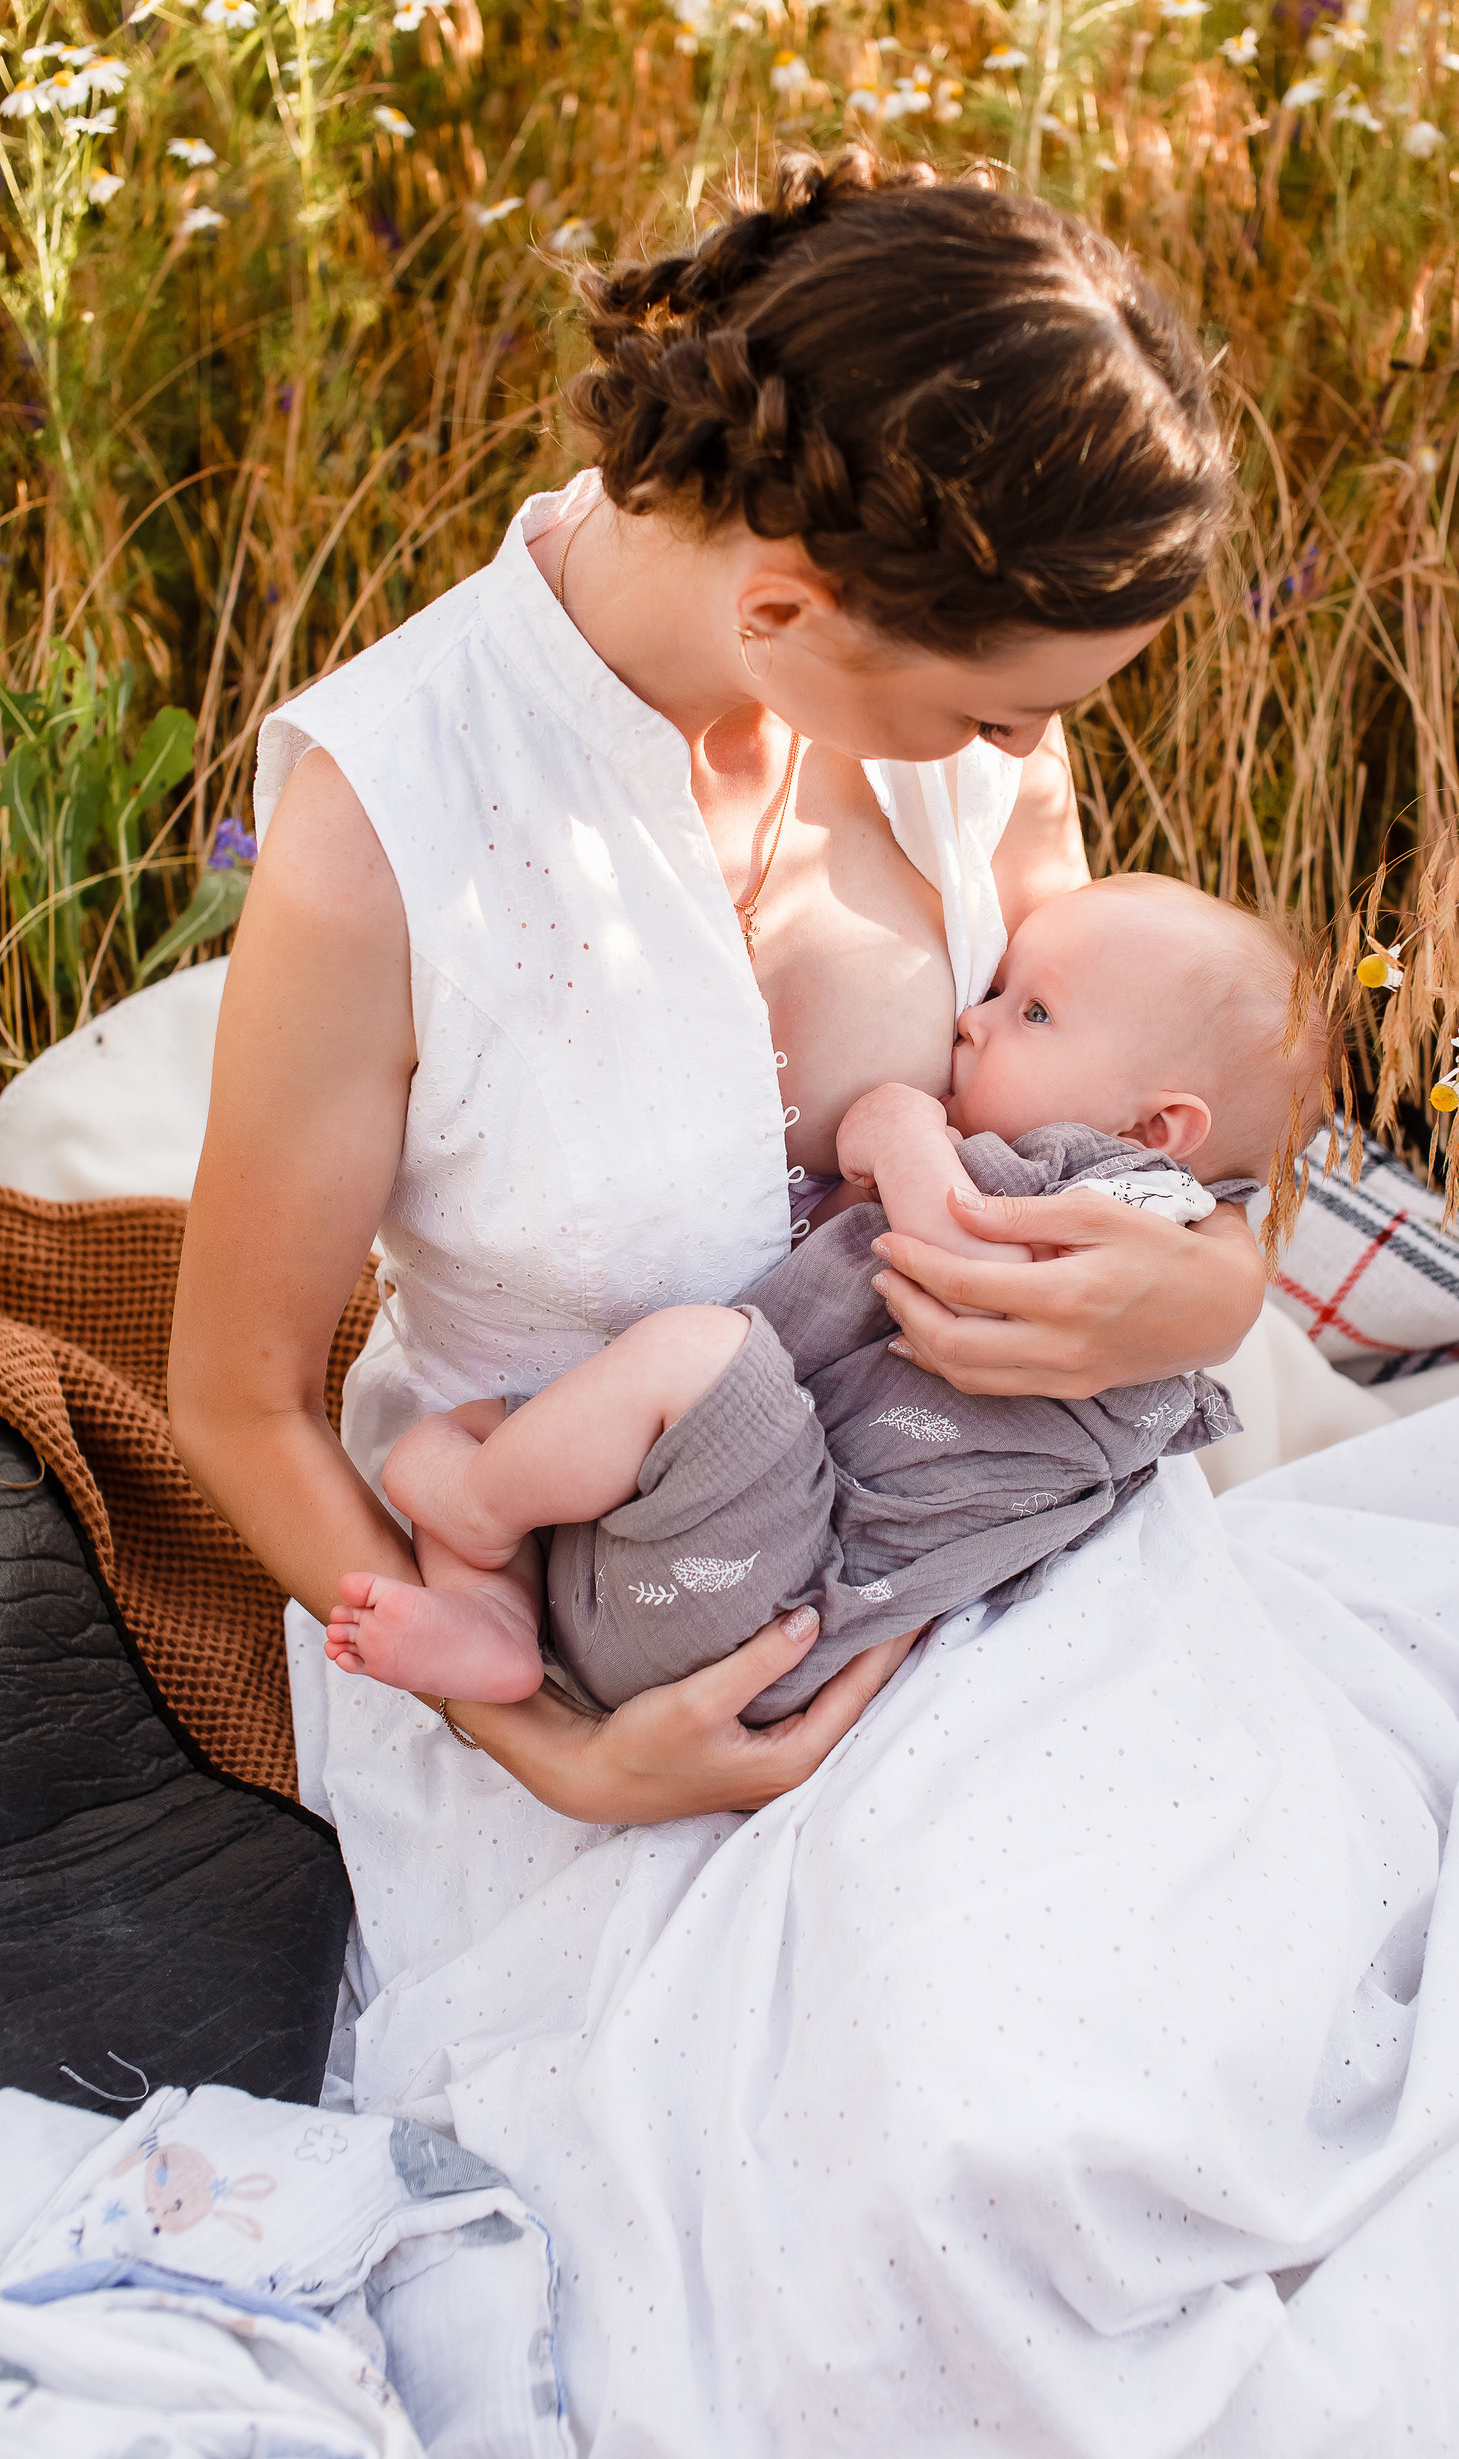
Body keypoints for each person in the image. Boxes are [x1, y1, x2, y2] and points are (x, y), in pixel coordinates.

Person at [168, 148, 1263, 1824]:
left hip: (990, 1546)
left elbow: (1115, 1118)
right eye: (996, 716)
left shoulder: (949, 718)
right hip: (593, 1631)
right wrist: (565, 1758)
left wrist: (1217, 1291)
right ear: (785, 611)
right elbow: (237, 1401)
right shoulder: (381, 834)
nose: (1034, 756)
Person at [323, 875, 1320, 1718]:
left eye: (1034, 1011)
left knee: (686, 1360)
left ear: (1156, 1129)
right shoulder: (1158, 1208)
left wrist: (896, 1125)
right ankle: (494, 1620)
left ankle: (479, 1512)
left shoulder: (1111, 1196)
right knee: (511, 1417)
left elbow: (972, 1278)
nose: (972, 1018)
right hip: (708, 1566)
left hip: (783, 1588)